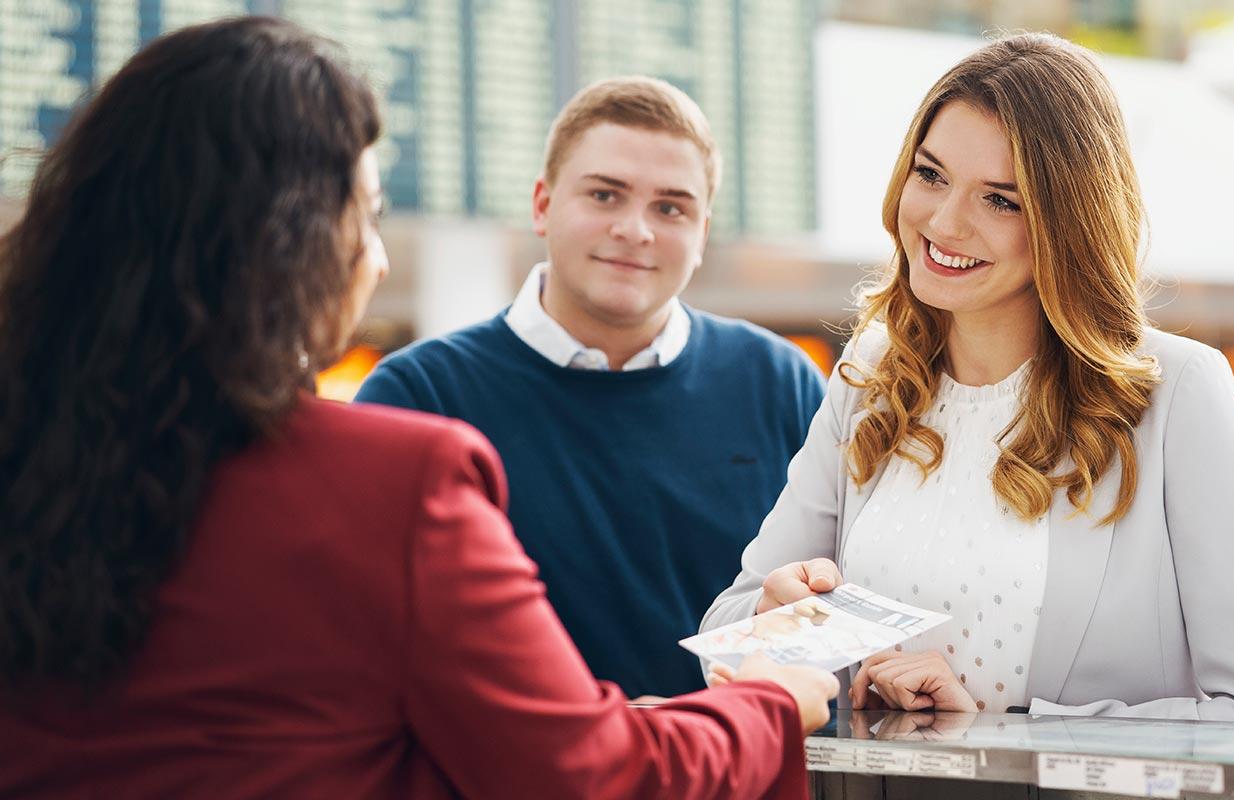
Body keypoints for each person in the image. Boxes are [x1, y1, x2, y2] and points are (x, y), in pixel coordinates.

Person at [0, 17, 837, 798]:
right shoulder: (400, 464)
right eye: (365, 216)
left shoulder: (34, 448)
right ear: (288, 245)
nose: (371, 257)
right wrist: (765, 702)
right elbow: (582, 770)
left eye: (671, 207)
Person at [701, 32, 1234, 724]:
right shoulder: (872, 376)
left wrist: (1007, 727)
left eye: (1000, 200)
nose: (942, 221)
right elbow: (726, 635)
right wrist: (775, 616)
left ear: (1067, 221)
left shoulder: (1176, 392)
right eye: (930, 174)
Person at [354, 76, 826, 698]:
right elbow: (371, 637)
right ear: (543, 204)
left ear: (703, 231)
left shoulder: (780, 381)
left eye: (671, 207)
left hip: (741, 775)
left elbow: (833, 598)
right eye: (605, 195)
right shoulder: (419, 396)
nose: (636, 229)